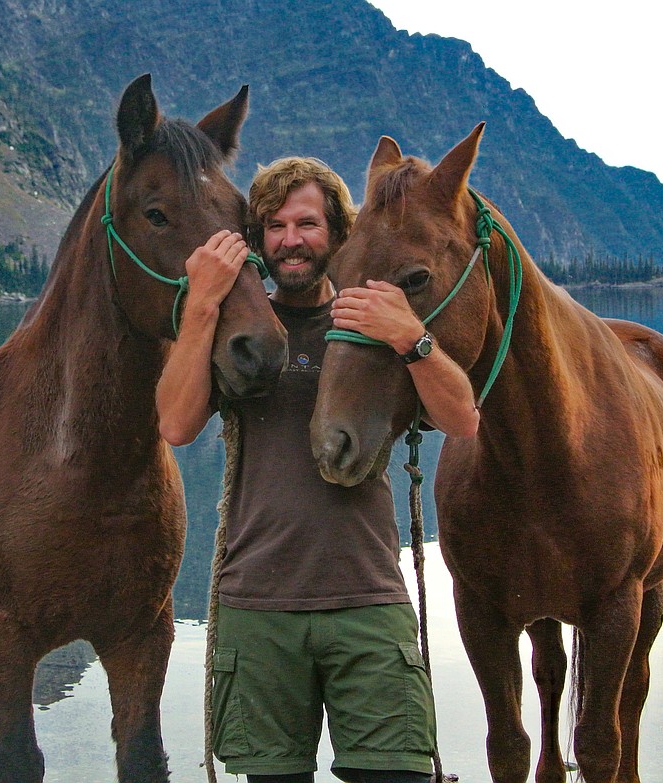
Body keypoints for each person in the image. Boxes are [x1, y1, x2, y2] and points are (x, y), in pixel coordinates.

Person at [156, 157, 479, 783]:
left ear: (338, 233)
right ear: (256, 239)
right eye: (273, 226)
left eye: (307, 222)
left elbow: (462, 419)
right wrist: (200, 305)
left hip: (368, 597)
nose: (291, 239)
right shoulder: (238, 329)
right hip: (258, 604)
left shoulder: (374, 320)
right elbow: (175, 425)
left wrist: (412, 337)